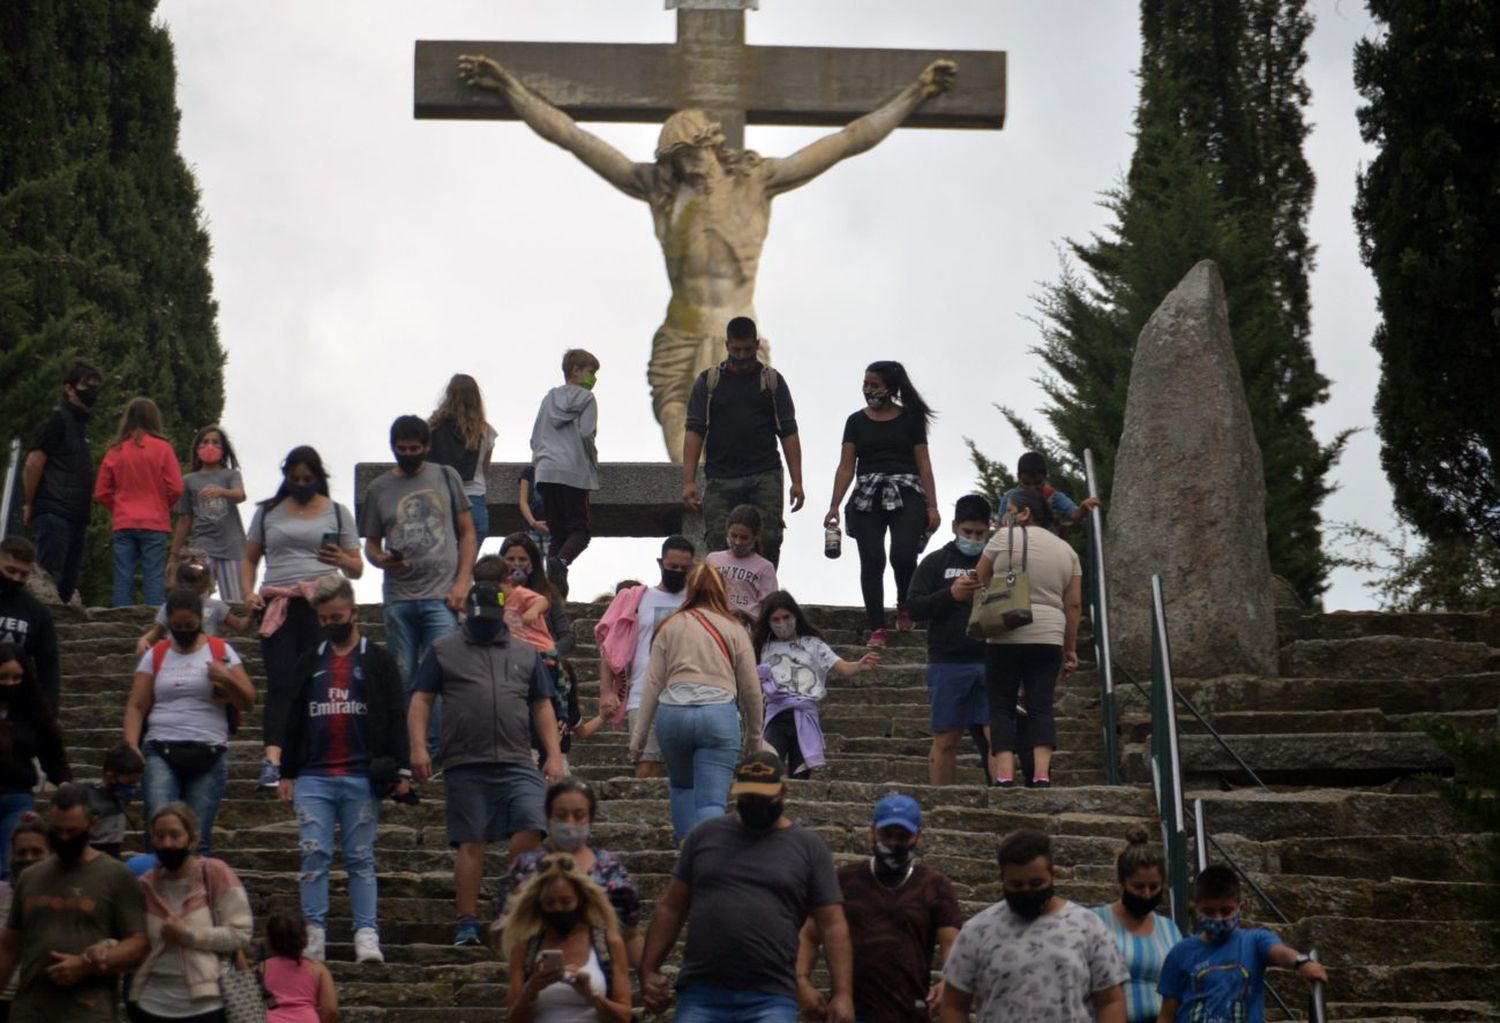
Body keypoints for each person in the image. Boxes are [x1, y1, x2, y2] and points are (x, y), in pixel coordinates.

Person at [455, 53, 957, 459]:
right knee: (680, 441)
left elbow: (848, 140)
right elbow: (574, 138)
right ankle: (690, 521)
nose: (686, 169)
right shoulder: (661, 191)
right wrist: (509, 88)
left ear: (710, 145)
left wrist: (915, 93)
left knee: (735, 439)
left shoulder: (757, 182)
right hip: (679, 333)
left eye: (690, 157)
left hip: (735, 335)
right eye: (675, 163)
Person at [407, 565, 565, 948]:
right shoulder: (443, 650)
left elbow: (542, 705)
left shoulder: (525, 652)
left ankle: (510, 900)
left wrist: (554, 754)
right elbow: (421, 699)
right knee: (470, 840)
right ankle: (466, 921)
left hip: (516, 758)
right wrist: (417, 747)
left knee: (533, 822)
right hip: (465, 761)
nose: (484, 625)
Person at [639, 752, 853, 1023]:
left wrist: (843, 994)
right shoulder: (705, 836)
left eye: (764, 797)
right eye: (748, 797)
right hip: (702, 989)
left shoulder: (809, 848)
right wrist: (649, 969)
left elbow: (832, 924)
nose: (756, 805)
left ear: (783, 792)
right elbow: (672, 907)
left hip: (772, 994)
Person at [278, 574, 410, 965]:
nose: (330, 624)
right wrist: (287, 770)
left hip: (360, 776)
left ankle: (366, 932)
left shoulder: (378, 659)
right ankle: (313, 932)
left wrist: (400, 770)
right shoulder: (310, 661)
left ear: (353, 612)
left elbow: (395, 713)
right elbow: (294, 716)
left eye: (337, 616)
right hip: (315, 775)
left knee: (360, 857)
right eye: (323, 619)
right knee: (313, 853)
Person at [241, 446, 363, 789]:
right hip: (277, 602)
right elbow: (250, 558)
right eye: (294, 479)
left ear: (318, 478)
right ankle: (273, 758)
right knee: (280, 682)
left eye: (307, 479)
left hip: (321, 604)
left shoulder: (337, 513)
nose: (301, 484)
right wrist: (248, 592)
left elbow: (356, 569)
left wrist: (340, 556)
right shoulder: (267, 512)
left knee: (318, 680)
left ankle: (315, 751)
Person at [362, 415, 476, 760]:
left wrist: (462, 581)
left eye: (414, 449)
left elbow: (467, 532)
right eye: (402, 449)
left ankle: (441, 748)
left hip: (442, 595)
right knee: (403, 675)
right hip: (399, 597)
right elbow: (370, 544)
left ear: (426, 447)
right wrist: (382, 559)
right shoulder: (379, 489)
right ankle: (411, 748)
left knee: (442, 672)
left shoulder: (445, 477)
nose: (408, 454)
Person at [797, 794, 961, 1023]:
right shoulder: (845, 880)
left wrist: (949, 981)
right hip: (849, 1012)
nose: (894, 843)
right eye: (886, 834)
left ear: (918, 837)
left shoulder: (935, 886)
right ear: (872, 832)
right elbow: (809, 934)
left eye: (903, 836)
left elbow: (952, 943)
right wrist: (802, 981)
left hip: (909, 1012)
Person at [629, 564, 763, 843]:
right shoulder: (734, 628)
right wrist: (755, 735)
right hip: (718, 713)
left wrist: (638, 737)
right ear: (722, 590)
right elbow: (751, 687)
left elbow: (652, 683)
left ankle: (685, 853)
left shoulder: (670, 625)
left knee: (682, 787)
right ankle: (709, 859)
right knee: (711, 801)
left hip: (673, 714)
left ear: (690, 589)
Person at [941, 828, 1127, 1023]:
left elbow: (1110, 1001)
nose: (1027, 891)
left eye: (1036, 883)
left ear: (1053, 875)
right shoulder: (976, 931)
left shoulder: (1087, 926)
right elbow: (954, 1004)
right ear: (1002, 879)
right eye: (1017, 885)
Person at [0, 784, 149, 1023]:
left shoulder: (116, 876)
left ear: (92, 825)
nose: (64, 838)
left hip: (88, 1011)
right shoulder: (30, 876)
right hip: (29, 1011)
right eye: (57, 831)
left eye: (72, 831)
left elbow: (138, 945)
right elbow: (9, 947)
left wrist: (87, 964)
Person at [123, 588, 256, 854]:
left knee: (197, 837)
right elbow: (137, 705)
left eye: (190, 626)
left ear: (200, 621)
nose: (183, 630)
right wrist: (131, 747)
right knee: (159, 828)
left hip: (209, 748)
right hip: (161, 746)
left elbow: (249, 701)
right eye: (177, 626)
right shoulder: (156, 654)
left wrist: (226, 678)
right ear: (169, 623)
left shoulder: (222, 651)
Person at [823, 361, 939, 648]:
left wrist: (932, 506)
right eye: (866, 384)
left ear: (890, 388)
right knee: (873, 559)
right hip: (867, 494)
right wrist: (835, 504)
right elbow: (846, 466)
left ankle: (904, 602)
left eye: (874, 385)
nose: (868, 390)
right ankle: (877, 627)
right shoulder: (855, 422)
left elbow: (924, 465)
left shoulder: (911, 419)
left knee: (902, 553)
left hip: (907, 491)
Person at [976, 490, 1082, 789]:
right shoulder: (1067, 551)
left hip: (1004, 632)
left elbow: (978, 579)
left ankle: (1006, 774)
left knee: (1001, 706)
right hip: (1049, 635)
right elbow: (1073, 605)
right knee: (1041, 706)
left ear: (1023, 513)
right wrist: (1070, 649)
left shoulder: (1000, 540)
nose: (1003, 517)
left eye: (1008, 510)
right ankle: (1041, 774)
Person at [681, 317, 803, 568]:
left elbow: (788, 432)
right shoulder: (709, 382)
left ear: (756, 345)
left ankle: (764, 599)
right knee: (717, 541)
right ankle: (720, 600)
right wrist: (689, 480)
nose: (742, 355)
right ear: (727, 345)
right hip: (721, 476)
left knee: (768, 538)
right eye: (736, 350)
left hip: (764, 474)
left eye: (747, 350)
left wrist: (797, 481)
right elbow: (694, 431)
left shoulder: (771, 382)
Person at [490, 778, 643, 968]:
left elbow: (631, 932)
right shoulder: (526, 867)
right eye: (561, 815)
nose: (570, 823)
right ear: (548, 817)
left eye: (579, 815)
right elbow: (501, 929)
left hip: (602, 978)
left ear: (590, 818)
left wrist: (646, 978)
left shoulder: (610, 868)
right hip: (536, 973)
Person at [128, 802, 253, 1023]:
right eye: (160, 835)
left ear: (192, 838)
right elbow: (137, 939)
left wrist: (189, 935)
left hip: (206, 1007)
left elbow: (240, 934)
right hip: (150, 1003)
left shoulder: (215, 873)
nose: (167, 843)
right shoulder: (145, 885)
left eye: (175, 835)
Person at [1156, 865, 1328, 1023]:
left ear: (1241, 906)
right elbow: (1167, 1014)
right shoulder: (1180, 953)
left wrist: (1300, 961)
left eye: (1226, 911)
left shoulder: (1255, 941)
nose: (1218, 918)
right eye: (1209, 912)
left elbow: (1278, 952)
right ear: (1196, 909)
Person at [906, 494, 994, 786]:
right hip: (948, 661)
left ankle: (1003, 796)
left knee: (998, 735)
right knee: (947, 736)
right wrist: (950, 595)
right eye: (967, 532)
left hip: (992, 658)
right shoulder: (935, 562)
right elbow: (914, 607)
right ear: (955, 526)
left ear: (989, 529)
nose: (973, 538)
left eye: (979, 533)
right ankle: (940, 798)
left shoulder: (998, 560)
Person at [593, 537, 696, 781]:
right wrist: (606, 691)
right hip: (643, 693)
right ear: (660, 563)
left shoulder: (697, 601)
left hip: (690, 693)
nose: (678, 572)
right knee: (647, 765)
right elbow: (611, 648)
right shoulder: (638, 599)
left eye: (684, 569)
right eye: (673, 567)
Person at [751, 592, 877, 779]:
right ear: (768, 622)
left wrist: (859, 665)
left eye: (786, 617)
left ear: (795, 615)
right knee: (765, 772)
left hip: (805, 719)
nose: (782, 623)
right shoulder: (763, 647)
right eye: (775, 619)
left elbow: (842, 667)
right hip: (775, 716)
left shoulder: (814, 644)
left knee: (800, 778)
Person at [500, 854, 633, 1023]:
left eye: (566, 902)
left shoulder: (608, 944)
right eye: (550, 903)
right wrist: (532, 990)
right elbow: (514, 1019)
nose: (558, 909)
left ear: (581, 900)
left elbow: (624, 1016)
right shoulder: (524, 948)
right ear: (539, 905)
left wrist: (592, 995)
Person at [23, 358, 104, 604]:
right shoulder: (57, 418)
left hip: (75, 515)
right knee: (49, 581)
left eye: (95, 387)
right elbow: (33, 462)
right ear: (68, 388)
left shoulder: (78, 426)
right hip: (55, 510)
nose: (91, 392)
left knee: (66, 586)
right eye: (85, 385)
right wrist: (30, 503)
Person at [93, 398, 185, 608]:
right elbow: (177, 488)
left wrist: (117, 507)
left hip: (124, 521)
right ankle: (153, 621)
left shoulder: (115, 451)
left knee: (123, 572)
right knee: (153, 573)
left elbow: (101, 492)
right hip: (154, 521)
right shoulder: (163, 448)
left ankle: (121, 615)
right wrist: (163, 504)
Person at [1090, 828, 1184, 1023]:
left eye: (1154, 887)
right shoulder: (1094, 922)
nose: (1147, 895)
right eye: (1138, 887)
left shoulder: (1169, 929)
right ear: (1122, 882)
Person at [530, 349, 600, 596]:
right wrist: (593, 460)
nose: (594, 378)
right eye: (591, 372)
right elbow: (586, 434)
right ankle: (560, 563)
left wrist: (540, 461)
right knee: (580, 531)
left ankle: (551, 589)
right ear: (576, 371)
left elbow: (536, 435)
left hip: (547, 471)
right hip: (574, 472)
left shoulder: (549, 398)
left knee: (557, 533)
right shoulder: (587, 399)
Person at [0, 644, 69, 879]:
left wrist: (64, 782)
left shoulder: (32, 711)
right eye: (3, 677)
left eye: (16, 678)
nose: (9, 683)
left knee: (16, 867)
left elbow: (51, 751)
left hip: (17, 797)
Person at [168, 426, 248, 602]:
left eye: (215, 442)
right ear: (197, 449)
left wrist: (222, 492)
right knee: (194, 601)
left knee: (236, 603)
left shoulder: (230, 475)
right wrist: (173, 557)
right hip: (201, 549)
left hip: (232, 549)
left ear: (223, 449)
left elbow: (240, 495)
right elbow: (184, 520)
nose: (210, 446)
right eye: (205, 442)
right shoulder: (188, 480)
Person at [427, 373, 498, 542]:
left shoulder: (432, 426)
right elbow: (484, 469)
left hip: (440, 498)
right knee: (467, 566)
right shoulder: (486, 431)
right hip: (474, 499)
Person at [134, 556, 252, 656]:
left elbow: (240, 626)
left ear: (205, 585)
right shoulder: (170, 606)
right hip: (175, 654)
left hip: (206, 654)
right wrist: (144, 640)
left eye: (195, 586)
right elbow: (157, 632)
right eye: (188, 585)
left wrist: (252, 615)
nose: (191, 590)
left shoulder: (216, 606)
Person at [0, 537, 60, 712]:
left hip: (13, 705)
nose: (16, 578)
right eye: (10, 570)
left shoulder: (37, 612)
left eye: (23, 574)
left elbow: (48, 668)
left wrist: (48, 713)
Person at [0, 817, 48, 1020]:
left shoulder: (66, 897)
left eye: (36, 852)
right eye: (21, 852)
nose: (28, 858)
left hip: (44, 1002)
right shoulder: (1, 893)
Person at [704, 504, 778, 623]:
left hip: (747, 626)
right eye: (734, 536)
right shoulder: (712, 559)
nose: (738, 542)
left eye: (744, 538)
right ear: (727, 532)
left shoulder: (765, 567)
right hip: (715, 622)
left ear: (755, 537)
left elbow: (769, 606)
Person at [261, 911, 338, 1023]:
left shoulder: (261, 969)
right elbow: (331, 1010)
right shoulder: (318, 970)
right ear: (304, 939)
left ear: (270, 941)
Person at [1003, 451, 1100, 540]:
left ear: (1045, 477)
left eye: (1038, 483)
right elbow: (1001, 528)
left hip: (1047, 545)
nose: (1032, 489)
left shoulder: (1053, 496)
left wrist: (1083, 507)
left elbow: (1074, 515)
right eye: (1027, 484)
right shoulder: (1009, 498)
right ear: (1019, 477)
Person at [83, 742, 145, 860]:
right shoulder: (89, 795)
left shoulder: (122, 795)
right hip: (93, 847)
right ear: (110, 776)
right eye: (129, 783)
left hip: (114, 846)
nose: (132, 788)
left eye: (135, 783)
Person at [517, 466, 549, 560]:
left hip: (554, 527)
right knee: (533, 563)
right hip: (531, 527)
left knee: (555, 565)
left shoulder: (558, 470)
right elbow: (523, 501)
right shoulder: (529, 471)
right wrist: (532, 522)